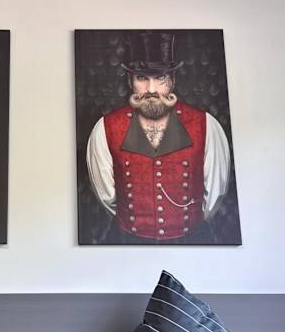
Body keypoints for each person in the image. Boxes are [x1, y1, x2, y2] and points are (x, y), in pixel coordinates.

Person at [86, 32, 231, 244]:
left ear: (173, 80)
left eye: (160, 78)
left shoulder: (206, 125)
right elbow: (107, 197)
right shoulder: (105, 128)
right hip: (127, 245)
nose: (151, 89)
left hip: (192, 243)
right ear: (130, 81)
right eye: (142, 78)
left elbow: (215, 194)